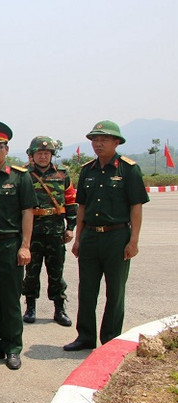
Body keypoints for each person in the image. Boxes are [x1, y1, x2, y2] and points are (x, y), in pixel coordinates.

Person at [63, 121, 149, 351]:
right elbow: (81, 207)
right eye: (94, 140)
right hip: (91, 236)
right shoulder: (87, 170)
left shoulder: (129, 169)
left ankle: (110, 339)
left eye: (103, 139)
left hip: (117, 236)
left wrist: (134, 240)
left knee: (115, 290)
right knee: (87, 289)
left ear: (116, 142)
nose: (98, 144)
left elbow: (136, 207)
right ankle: (85, 337)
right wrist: (79, 238)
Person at [0, 121, 37, 371]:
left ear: (6, 148)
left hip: (10, 245)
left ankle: (13, 347)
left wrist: (25, 246)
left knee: (10, 299)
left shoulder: (19, 177)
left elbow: (28, 213)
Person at [21, 136, 77, 326]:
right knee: (31, 271)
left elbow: (70, 201)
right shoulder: (24, 175)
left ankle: (59, 309)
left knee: (56, 271)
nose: (43, 156)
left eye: (47, 153)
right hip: (32, 232)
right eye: (39, 153)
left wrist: (71, 227)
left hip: (55, 232)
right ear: (32, 155)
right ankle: (30, 307)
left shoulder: (62, 174)